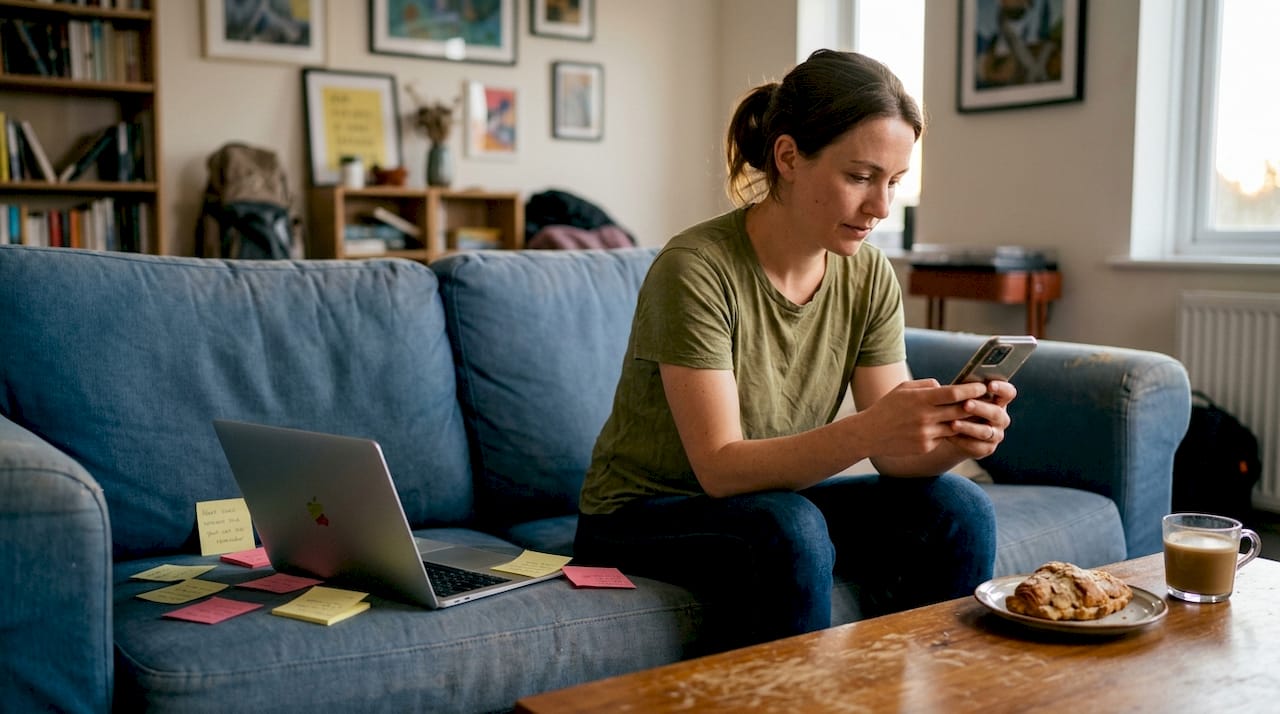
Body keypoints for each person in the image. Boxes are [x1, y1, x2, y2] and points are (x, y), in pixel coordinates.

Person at [574, 49, 1009, 647]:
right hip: (642, 515)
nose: (881, 208)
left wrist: (949, 436)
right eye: (859, 177)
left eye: (894, 183)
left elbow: (895, 459)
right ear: (788, 157)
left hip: (770, 505)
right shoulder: (695, 269)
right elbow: (721, 469)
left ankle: (927, 692)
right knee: (790, 527)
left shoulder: (869, 275)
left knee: (959, 509)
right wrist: (872, 429)